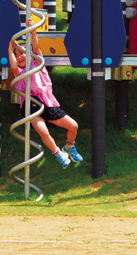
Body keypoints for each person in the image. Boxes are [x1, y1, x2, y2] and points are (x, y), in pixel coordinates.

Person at [7, 29, 82, 168]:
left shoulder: (38, 66)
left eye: (22, 53)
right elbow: (13, 65)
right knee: (43, 131)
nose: (20, 57)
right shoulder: (20, 74)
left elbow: (36, 48)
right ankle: (58, 154)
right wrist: (10, 50)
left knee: (73, 126)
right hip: (31, 107)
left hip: (48, 105)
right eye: (17, 55)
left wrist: (33, 31)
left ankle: (69, 146)